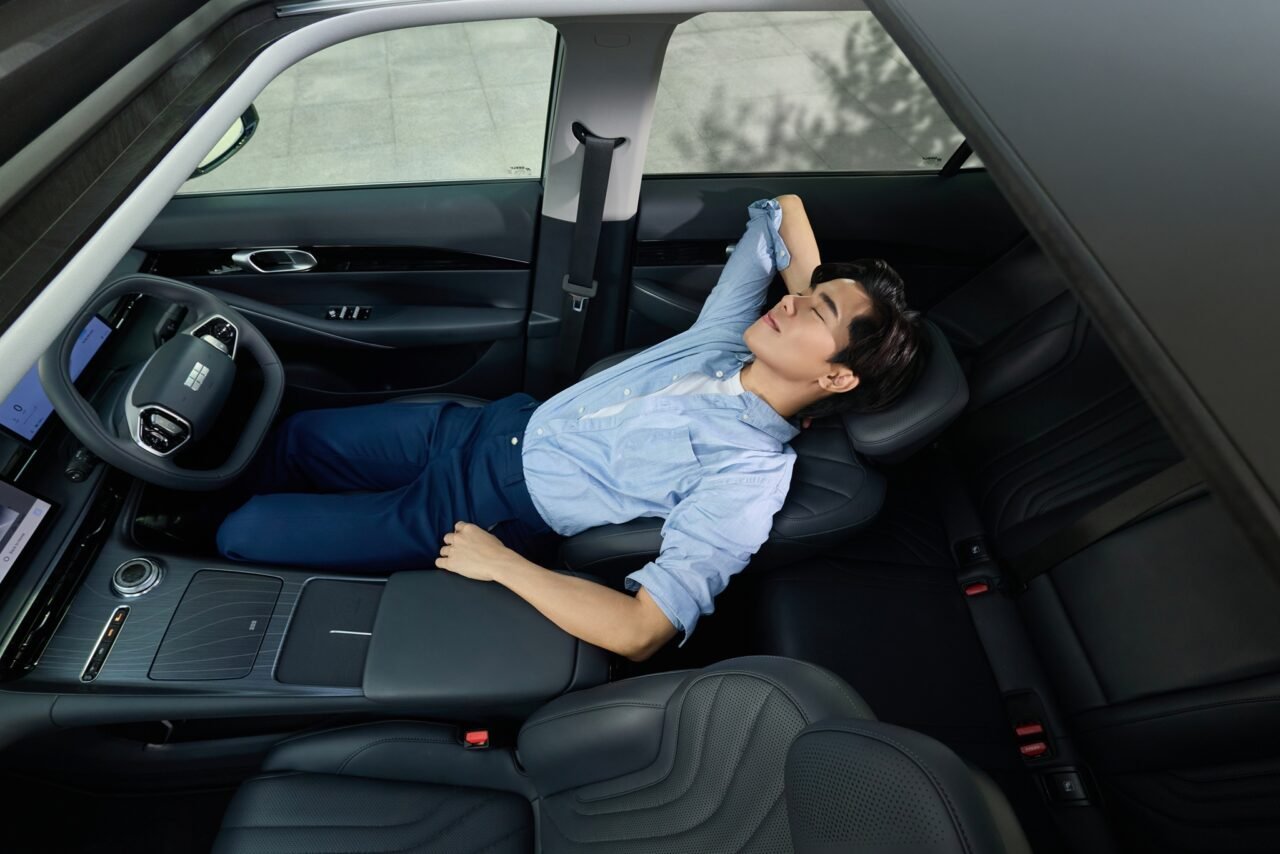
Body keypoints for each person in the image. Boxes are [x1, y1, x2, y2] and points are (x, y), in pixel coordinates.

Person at [213, 195, 929, 660]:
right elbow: (782, 211)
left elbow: (643, 630)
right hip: (480, 428)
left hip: (482, 511)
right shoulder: (725, 337)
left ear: (839, 378)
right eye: (804, 294)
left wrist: (505, 566)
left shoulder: (747, 476)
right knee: (299, 438)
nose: (790, 304)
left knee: (245, 531)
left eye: (817, 312)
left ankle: (199, 548)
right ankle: (186, 501)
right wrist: (821, 296)